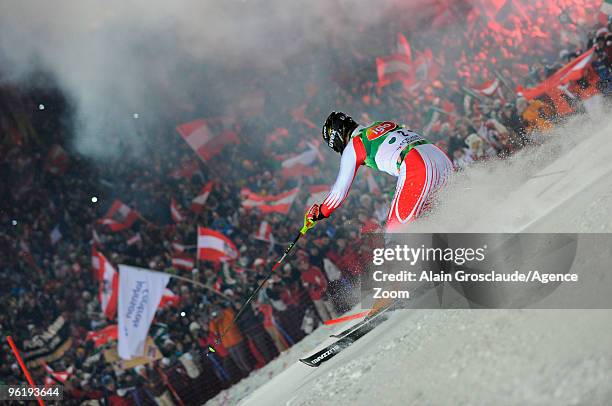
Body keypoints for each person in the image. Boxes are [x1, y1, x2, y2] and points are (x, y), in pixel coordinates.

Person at [303, 112, 454, 232]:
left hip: (417, 166)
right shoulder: (380, 125)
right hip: (440, 157)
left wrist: (320, 212)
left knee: (396, 235)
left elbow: (339, 192)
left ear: (336, 139)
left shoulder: (354, 145)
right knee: (435, 219)